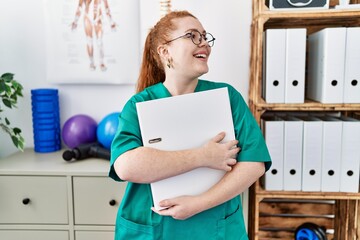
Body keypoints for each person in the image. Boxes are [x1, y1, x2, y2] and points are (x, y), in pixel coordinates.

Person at [109, 10, 271, 240]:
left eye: (205, 37)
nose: (204, 43)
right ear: (165, 51)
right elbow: (126, 166)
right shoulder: (139, 104)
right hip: (153, 228)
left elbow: (254, 164)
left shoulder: (227, 97)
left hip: (215, 225)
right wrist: (202, 156)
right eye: (192, 36)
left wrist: (199, 204)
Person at [71, 0, 117, 71]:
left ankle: (101, 62)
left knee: (99, 42)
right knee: (89, 42)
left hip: (98, 18)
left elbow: (106, 7)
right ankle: (91, 62)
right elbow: (80, 7)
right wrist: (75, 21)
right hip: (88, 18)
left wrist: (111, 22)